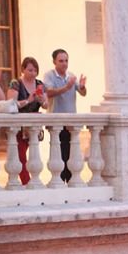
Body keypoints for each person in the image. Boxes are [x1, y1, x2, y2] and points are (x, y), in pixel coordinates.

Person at [43, 48, 87, 183]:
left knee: (70, 152)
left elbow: (82, 93)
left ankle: (70, 179)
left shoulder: (71, 76)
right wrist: (66, 88)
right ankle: (59, 181)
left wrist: (83, 86)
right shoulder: (49, 75)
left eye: (66, 60)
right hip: (56, 121)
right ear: (54, 62)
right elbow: (48, 92)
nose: (64, 63)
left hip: (70, 122)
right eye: (61, 61)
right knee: (59, 152)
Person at [7, 57, 48, 185]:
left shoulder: (40, 83)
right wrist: (28, 100)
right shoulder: (15, 83)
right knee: (20, 155)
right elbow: (11, 104)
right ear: (23, 69)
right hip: (18, 125)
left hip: (33, 126)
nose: (33, 73)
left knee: (32, 154)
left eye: (35, 70)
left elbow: (46, 105)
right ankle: (26, 182)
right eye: (30, 70)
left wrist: (42, 100)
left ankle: (29, 181)